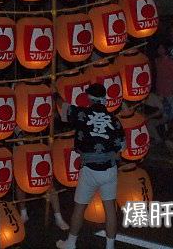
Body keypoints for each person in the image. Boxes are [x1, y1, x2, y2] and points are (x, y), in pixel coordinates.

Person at [56, 83, 125, 249]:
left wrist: (54, 94)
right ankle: (110, 246)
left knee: (79, 207)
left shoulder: (82, 113)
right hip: (109, 169)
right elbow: (121, 148)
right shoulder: (115, 120)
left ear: (89, 98)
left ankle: (71, 242)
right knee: (110, 209)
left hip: (89, 169)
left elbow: (63, 106)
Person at [154, 44, 173, 127]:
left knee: (171, 106)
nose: (160, 50)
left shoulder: (170, 61)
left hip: (169, 88)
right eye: (159, 48)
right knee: (163, 107)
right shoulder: (157, 61)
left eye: (162, 48)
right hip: (161, 88)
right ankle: (165, 126)